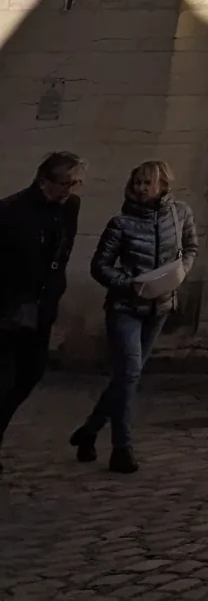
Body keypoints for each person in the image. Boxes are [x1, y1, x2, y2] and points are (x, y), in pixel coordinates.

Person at [73, 159, 196, 475]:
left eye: (147, 182)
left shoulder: (180, 213)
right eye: (138, 182)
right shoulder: (121, 223)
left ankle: (89, 430)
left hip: (161, 308)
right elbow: (100, 266)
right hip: (125, 309)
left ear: (163, 186)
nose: (141, 188)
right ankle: (121, 449)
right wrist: (130, 285)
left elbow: (191, 247)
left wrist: (180, 273)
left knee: (127, 377)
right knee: (129, 373)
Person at [0, 152, 85, 475]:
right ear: (44, 180)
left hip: (43, 306)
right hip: (9, 306)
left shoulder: (70, 208)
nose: (70, 190)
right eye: (65, 183)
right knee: (4, 380)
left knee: (31, 374)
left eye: (75, 184)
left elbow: (62, 252)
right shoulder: (11, 211)